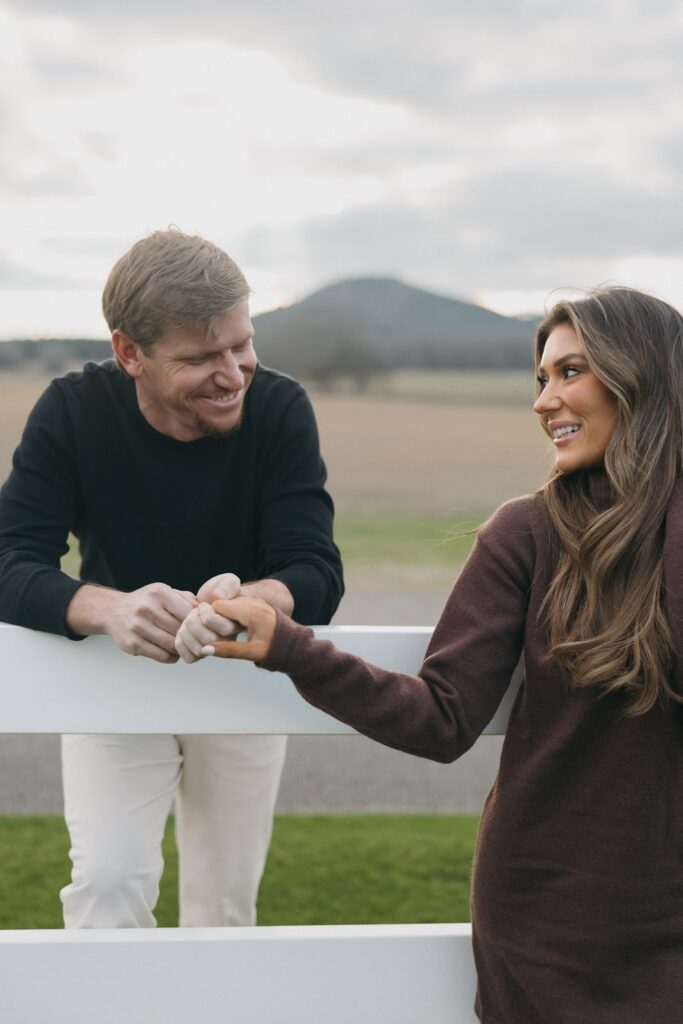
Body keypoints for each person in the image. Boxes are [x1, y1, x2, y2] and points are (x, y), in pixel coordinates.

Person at [178, 286, 683, 1023]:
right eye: (541, 378)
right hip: (547, 923)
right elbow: (440, 718)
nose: (544, 401)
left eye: (571, 371)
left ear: (642, 378)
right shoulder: (526, 534)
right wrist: (292, 648)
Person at [0, 228, 343, 928]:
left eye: (241, 345)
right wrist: (109, 610)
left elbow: (315, 572)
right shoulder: (72, 410)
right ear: (130, 353)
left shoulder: (280, 408)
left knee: (223, 908)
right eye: (200, 358)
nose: (233, 373)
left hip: (244, 677)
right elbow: (10, 559)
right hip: (111, 673)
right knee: (107, 887)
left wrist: (244, 600)